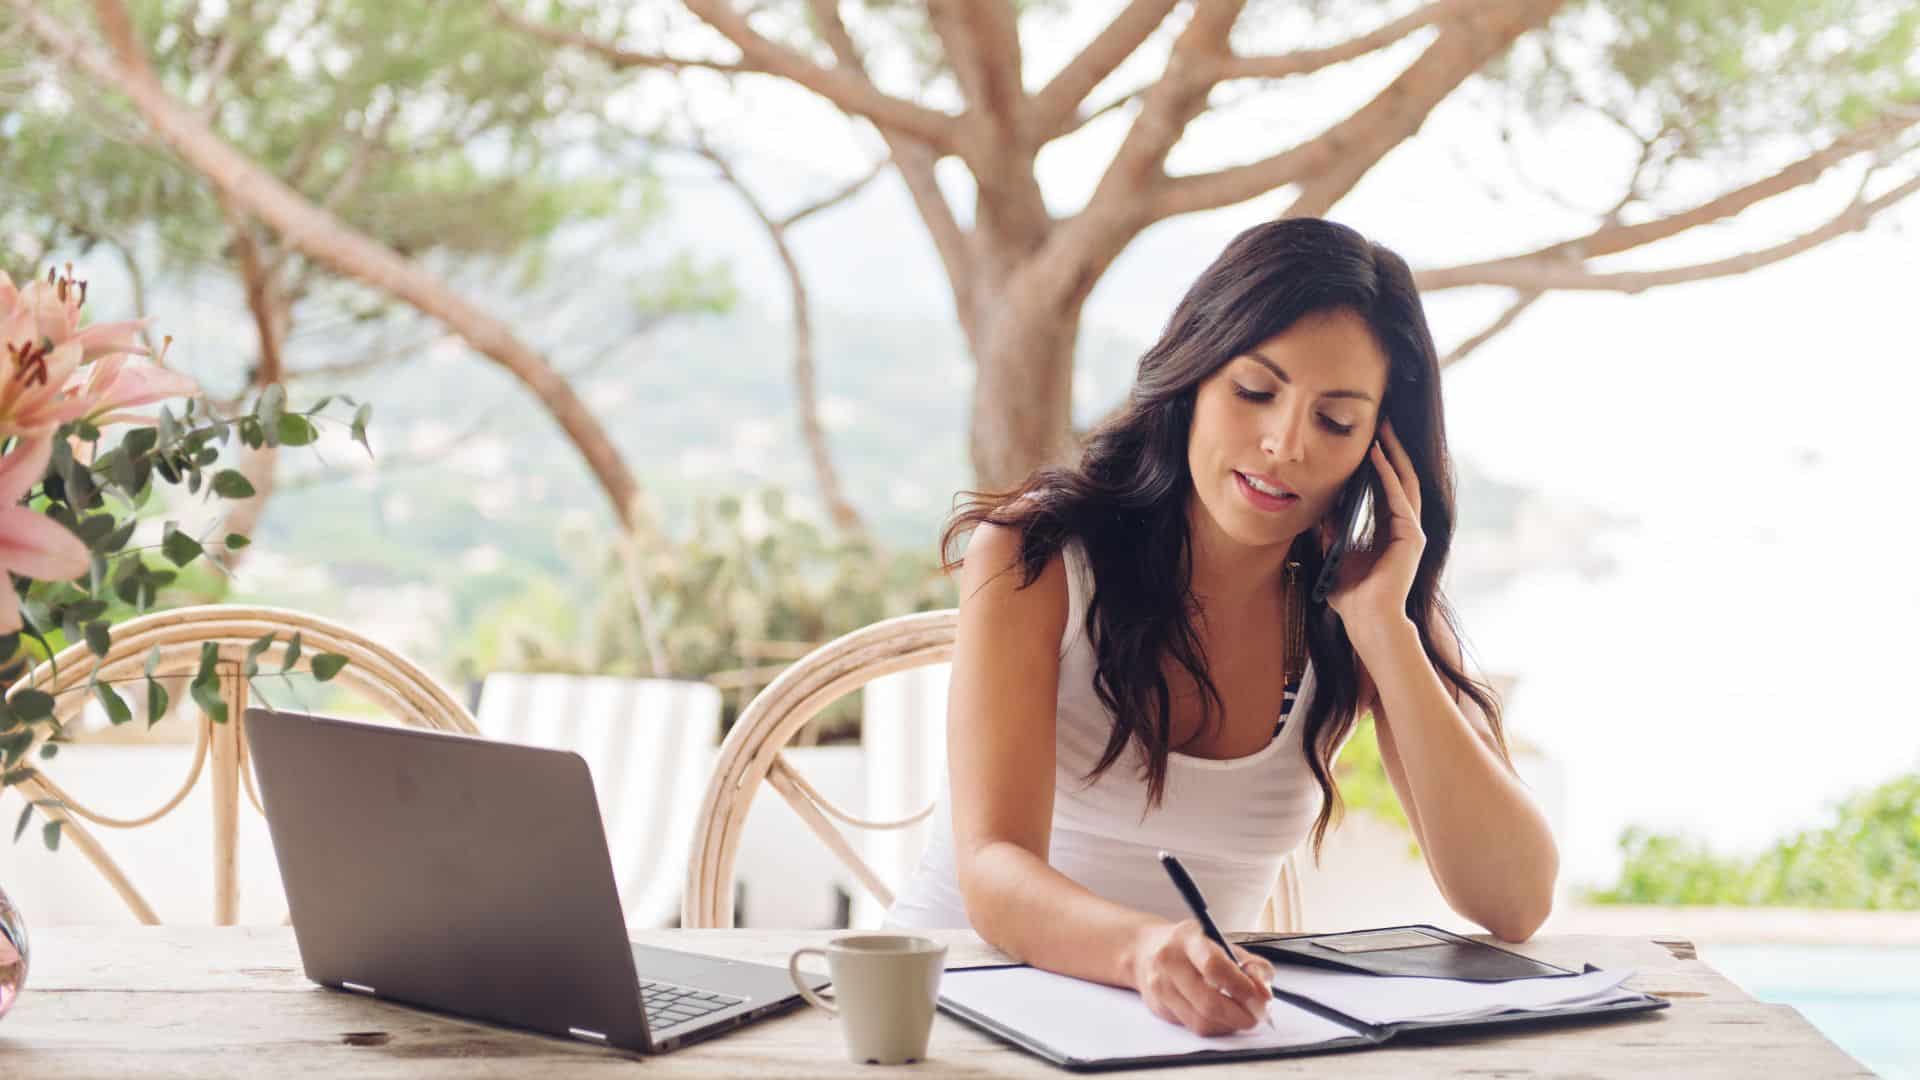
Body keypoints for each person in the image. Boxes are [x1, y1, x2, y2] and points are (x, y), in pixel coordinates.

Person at [883, 217, 1559, 1037]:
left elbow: (1515, 902)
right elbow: (992, 870)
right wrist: (1144, 954)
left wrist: (1385, 629)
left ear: (1380, 450)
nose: (1284, 446)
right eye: (1255, 392)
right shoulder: (1040, 557)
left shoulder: (1368, 597)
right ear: (1196, 376)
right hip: (953, 1015)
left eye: (1335, 422)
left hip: (1183, 1040)